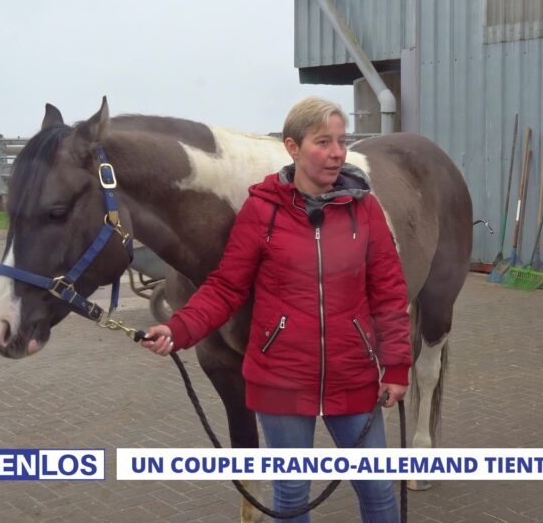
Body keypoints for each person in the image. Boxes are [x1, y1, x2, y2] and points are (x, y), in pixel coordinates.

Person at [141, 97, 410, 523]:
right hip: (280, 380)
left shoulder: (366, 209)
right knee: (289, 497)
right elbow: (226, 287)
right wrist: (179, 328)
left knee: (378, 490)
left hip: (353, 372)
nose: (338, 152)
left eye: (341, 141)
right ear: (293, 147)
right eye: (323, 141)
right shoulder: (261, 210)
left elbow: (390, 294)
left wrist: (396, 366)